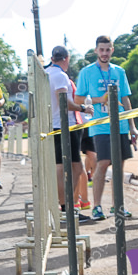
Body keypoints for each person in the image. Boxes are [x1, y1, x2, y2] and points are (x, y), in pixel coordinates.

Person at [75, 35, 138, 221]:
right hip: (100, 127)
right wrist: (99, 100)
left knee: (119, 166)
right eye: (101, 49)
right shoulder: (87, 72)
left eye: (108, 49)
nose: (104, 53)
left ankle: (117, 206)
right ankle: (96, 207)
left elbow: (126, 98)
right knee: (102, 164)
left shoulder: (119, 71)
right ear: (96, 51)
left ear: (112, 50)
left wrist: (132, 126)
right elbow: (79, 100)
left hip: (121, 125)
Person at [46, 46, 93, 223]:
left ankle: (65, 206)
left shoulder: (46, 73)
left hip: (55, 125)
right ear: (66, 58)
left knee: (62, 167)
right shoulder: (59, 75)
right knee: (75, 168)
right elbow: (64, 102)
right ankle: (67, 207)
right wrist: (83, 108)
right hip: (65, 126)